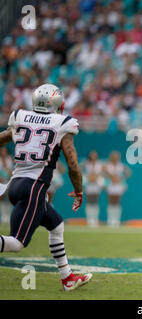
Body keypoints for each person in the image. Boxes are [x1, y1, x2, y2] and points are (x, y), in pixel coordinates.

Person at [0, 84, 92, 291]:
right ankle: (67, 277)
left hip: (15, 185)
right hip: (34, 187)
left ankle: (67, 278)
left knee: (56, 225)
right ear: (58, 104)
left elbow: (5, 137)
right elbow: (73, 165)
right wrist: (78, 190)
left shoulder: (21, 116)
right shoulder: (63, 122)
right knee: (17, 243)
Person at [103, 150, 131, 227]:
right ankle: (110, 220)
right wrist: (111, 177)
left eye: (117, 157)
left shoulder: (121, 165)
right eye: (114, 157)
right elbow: (103, 172)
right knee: (110, 201)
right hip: (110, 184)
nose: (115, 158)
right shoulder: (106, 164)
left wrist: (120, 178)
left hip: (118, 185)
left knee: (117, 202)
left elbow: (128, 173)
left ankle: (116, 220)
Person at [82, 150, 104, 227]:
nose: (93, 157)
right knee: (89, 201)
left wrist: (96, 177)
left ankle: (95, 219)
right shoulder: (86, 163)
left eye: (95, 155)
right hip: (89, 183)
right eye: (92, 155)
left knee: (95, 201)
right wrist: (88, 177)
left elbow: (103, 172)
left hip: (97, 183)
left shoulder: (100, 163)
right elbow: (80, 170)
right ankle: (89, 220)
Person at [0, 147, 13, 224]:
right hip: (0, 181)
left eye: (4, 150)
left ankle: (8, 216)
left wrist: (4, 162)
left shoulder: (10, 159)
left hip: (8, 181)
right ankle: (3, 216)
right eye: (2, 150)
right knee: (0, 197)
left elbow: (10, 171)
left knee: (9, 198)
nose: (3, 152)